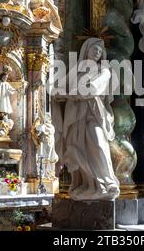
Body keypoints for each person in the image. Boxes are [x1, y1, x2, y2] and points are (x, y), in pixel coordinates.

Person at [53, 38, 120, 201]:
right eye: (94, 49)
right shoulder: (78, 69)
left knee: (98, 143)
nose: (97, 53)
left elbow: (92, 89)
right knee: (76, 149)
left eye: (99, 51)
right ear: (86, 50)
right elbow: (58, 88)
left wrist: (69, 94)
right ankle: (85, 184)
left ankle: (107, 183)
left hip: (93, 112)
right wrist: (62, 92)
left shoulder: (104, 71)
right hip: (75, 114)